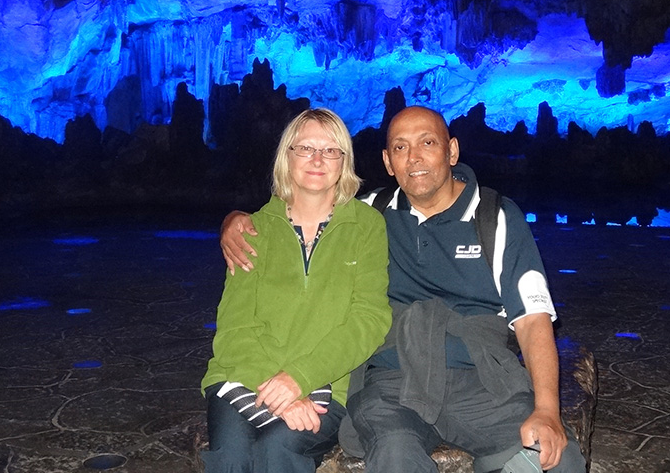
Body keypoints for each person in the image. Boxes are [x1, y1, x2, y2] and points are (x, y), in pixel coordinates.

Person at [221, 106, 586, 473]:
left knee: (559, 460)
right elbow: (299, 210)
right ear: (387, 161)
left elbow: (533, 321)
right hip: (391, 382)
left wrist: (546, 410)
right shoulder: (369, 214)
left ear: (452, 151)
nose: (414, 158)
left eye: (427, 142)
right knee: (395, 455)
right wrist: (235, 221)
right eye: (400, 147)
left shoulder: (496, 217)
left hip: (480, 380)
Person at [202, 108, 391, 473]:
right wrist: (279, 393)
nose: (317, 159)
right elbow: (235, 327)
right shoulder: (253, 230)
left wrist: (299, 378)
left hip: (324, 381)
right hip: (244, 373)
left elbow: (368, 319)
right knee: (231, 458)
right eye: (305, 148)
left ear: (344, 161)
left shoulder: (367, 227)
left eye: (330, 150)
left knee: (278, 451)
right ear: (286, 157)